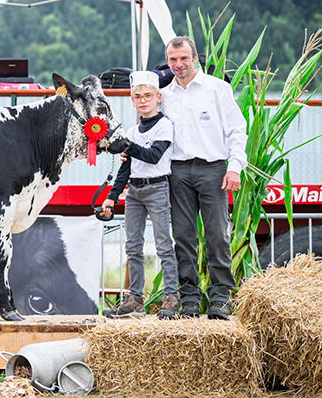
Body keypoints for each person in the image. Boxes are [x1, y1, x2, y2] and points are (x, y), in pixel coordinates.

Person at [160, 36, 247, 320]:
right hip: (178, 171)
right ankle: (189, 300)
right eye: (173, 60)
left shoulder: (217, 88)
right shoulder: (165, 95)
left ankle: (220, 298)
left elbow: (237, 129)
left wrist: (234, 167)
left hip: (213, 169)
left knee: (217, 235)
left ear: (195, 58)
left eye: (184, 58)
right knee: (183, 236)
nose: (179, 64)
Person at [101, 71, 179, 319]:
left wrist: (126, 146)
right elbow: (126, 168)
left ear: (158, 98)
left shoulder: (164, 126)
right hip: (134, 191)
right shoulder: (133, 131)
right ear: (132, 101)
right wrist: (112, 196)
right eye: (138, 97)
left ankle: (171, 297)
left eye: (148, 96)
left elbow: (153, 156)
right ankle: (135, 298)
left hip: (157, 188)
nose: (143, 100)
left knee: (163, 245)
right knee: (133, 246)